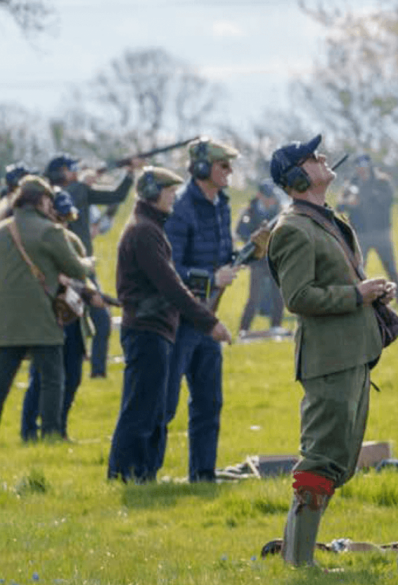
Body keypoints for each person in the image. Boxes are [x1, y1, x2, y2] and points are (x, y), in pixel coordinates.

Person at [265, 133, 395, 567]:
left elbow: (335, 284)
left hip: (352, 353)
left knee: (338, 462)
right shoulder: (292, 229)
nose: (322, 157)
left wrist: (370, 293)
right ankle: (299, 564)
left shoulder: (325, 220)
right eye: (311, 156)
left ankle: (295, 556)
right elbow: (297, 297)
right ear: (296, 176)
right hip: (328, 359)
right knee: (321, 458)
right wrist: (356, 295)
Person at [108, 167, 231, 482]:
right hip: (148, 329)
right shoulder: (145, 232)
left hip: (154, 328)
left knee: (147, 407)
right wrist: (209, 322)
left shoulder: (148, 228)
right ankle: (127, 474)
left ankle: (141, 474)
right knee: (141, 408)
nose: (174, 197)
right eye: (169, 191)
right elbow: (171, 285)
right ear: (152, 193)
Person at [0, 176, 92, 440]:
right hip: (42, 318)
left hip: (7, 321)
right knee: (53, 380)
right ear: (42, 200)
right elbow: (75, 269)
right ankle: (51, 434)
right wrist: (89, 264)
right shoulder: (49, 231)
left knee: (0, 383)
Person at [162, 137, 241, 483]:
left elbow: (225, 253)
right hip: (179, 318)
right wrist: (213, 277)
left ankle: (203, 474)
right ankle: (145, 474)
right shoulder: (180, 209)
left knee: (209, 401)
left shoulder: (221, 204)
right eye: (223, 165)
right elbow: (168, 268)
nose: (229, 172)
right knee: (165, 404)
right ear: (201, 168)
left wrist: (252, 250)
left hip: (206, 319)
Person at [20, 190, 106, 441]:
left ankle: (59, 428)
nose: (65, 222)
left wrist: (90, 291)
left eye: (68, 217)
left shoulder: (71, 240)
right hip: (48, 316)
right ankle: (29, 431)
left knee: (73, 375)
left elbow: (81, 275)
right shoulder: (41, 238)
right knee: (43, 377)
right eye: (60, 216)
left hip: (73, 314)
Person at [46, 154, 139, 380]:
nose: (77, 171)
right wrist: (83, 182)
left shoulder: (80, 190)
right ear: (63, 173)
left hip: (83, 268)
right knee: (66, 326)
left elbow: (116, 196)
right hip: (64, 269)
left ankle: (97, 372)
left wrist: (129, 174)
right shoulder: (52, 194)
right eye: (72, 169)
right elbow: (66, 199)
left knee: (101, 321)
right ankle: (60, 373)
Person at [337, 156, 398, 304]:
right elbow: (340, 205)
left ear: (369, 167)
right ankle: (359, 298)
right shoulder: (350, 184)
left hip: (381, 232)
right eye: (358, 167)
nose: (361, 170)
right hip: (359, 233)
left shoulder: (382, 181)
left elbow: (388, 200)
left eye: (364, 167)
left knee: (391, 267)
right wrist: (349, 203)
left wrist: (364, 195)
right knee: (358, 268)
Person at [236, 181, 285, 334]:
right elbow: (240, 231)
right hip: (257, 259)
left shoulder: (279, 210)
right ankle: (244, 328)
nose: (272, 200)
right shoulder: (249, 211)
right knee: (254, 297)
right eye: (268, 197)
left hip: (273, 258)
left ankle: (276, 326)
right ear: (260, 196)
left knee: (278, 295)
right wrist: (255, 239)